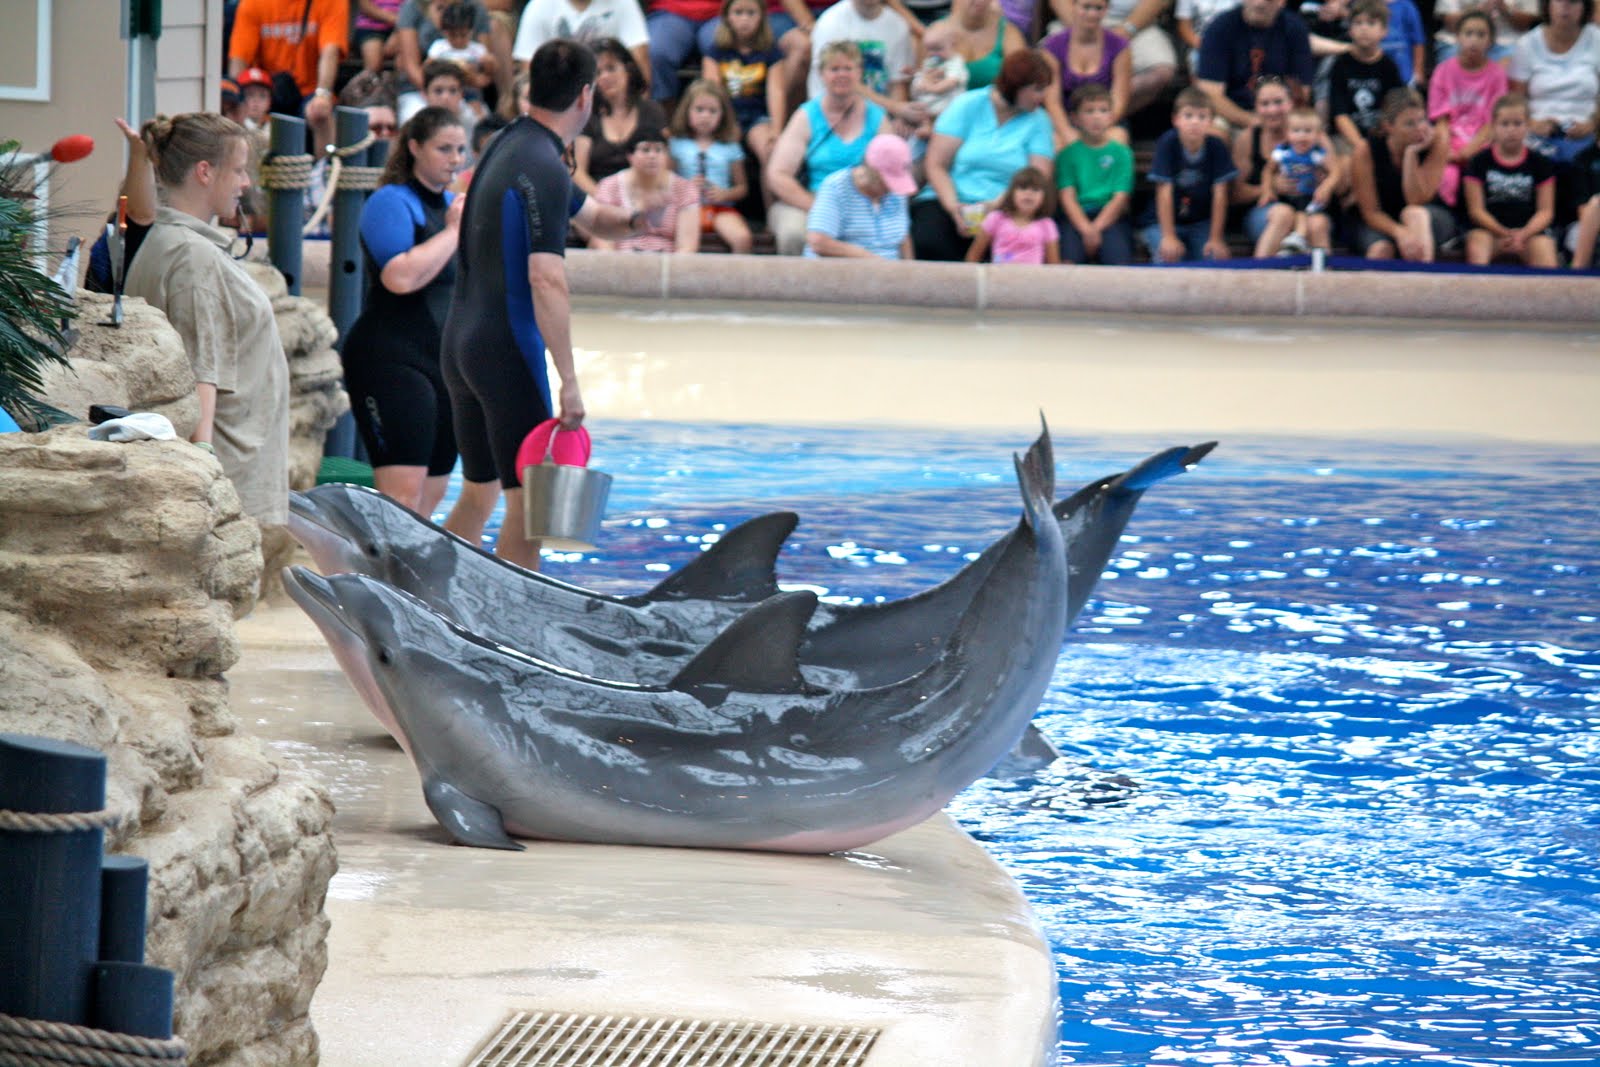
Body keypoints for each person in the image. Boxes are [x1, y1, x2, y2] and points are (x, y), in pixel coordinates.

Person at [441, 39, 657, 569]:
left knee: (478, 495)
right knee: (530, 509)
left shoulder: (511, 145)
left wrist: (634, 221)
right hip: (506, 352)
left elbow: (589, 214)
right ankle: (509, 638)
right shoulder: (543, 164)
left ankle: (419, 602)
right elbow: (547, 280)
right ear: (586, 96)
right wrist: (570, 379)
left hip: (460, 345)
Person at [124, 113, 289, 529]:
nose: (245, 183)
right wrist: (204, 466)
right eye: (238, 170)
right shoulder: (193, 257)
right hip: (228, 478)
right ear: (204, 172)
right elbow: (200, 368)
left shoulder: (163, 239)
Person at [340, 107, 466, 517]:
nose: (455, 159)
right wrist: (452, 233)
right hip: (390, 358)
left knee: (431, 497)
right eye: (444, 148)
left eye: (460, 150)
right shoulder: (390, 202)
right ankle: (382, 580)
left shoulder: (452, 207)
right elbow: (400, 277)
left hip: (442, 363)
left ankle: (408, 581)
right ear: (414, 147)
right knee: (402, 499)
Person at [913, 50, 1056, 261]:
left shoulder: (1039, 121)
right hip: (950, 200)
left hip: (1006, 208)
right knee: (928, 241)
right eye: (1037, 90)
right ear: (1016, 86)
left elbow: (1037, 178)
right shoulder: (967, 104)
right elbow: (936, 164)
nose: (1042, 97)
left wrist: (994, 207)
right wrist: (954, 208)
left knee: (1008, 248)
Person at [766, 42, 889, 255]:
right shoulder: (806, 115)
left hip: (863, 201)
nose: (841, 75)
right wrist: (820, 208)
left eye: (848, 69)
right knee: (793, 234)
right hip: (812, 199)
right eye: (834, 69)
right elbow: (778, 174)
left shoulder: (877, 117)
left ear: (859, 73)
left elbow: (890, 172)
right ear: (821, 74)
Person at [1347, 86, 1455, 259]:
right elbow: (1370, 212)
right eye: (1409, 124)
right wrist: (1400, 232)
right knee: (1381, 250)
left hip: (1427, 215)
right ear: (1388, 126)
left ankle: (1423, 278)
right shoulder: (1365, 150)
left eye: (1422, 120)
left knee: (1414, 214)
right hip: (1379, 219)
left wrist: (1411, 154)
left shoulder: (1437, 142)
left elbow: (1416, 200)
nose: (1419, 128)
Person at [227, 0, 348, 155]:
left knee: (320, 112)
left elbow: (330, 52)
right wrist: (237, 99)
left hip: (309, 92)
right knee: (238, 109)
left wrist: (323, 94)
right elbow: (239, 59)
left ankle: (324, 171)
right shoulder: (253, 3)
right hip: (268, 89)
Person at [1141, 86, 1237, 262]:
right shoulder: (1168, 143)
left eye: (1202, 116)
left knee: (1214, 257)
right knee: (1168, 256)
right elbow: (1164, 191)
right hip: (1162, 222)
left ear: (1211, 121)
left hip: (1200, 222)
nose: (1195, 122)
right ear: (1176, 119)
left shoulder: (1216, 146)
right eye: (1188, 115)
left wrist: (1215, 238)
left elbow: (1220, 194)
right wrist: (1168, 236)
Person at [1462, 93, 1560, 265]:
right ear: (1493, 126)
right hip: (1489, 231)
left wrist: (1523, 234)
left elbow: (1545, 211)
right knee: (1478, 241)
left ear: (1528, 126)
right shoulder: (1478, 162)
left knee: (1544, 246)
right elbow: (1476, 211)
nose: (1511, 130)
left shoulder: (1540, 163)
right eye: (1505, 124)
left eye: (1517, 124)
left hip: (1529, 234)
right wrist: (1503, 232)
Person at [1430, 10, 1510, 206]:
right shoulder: (1443, 71)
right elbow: (1441, 120)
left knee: (1484, 171)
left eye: (1481, 35)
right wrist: (1445, 149)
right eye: (1468, 34)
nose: (1474, 40)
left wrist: (1470, 150)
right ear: (1457, 37)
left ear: (1490, 41)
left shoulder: (1497, 74)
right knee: (1446, 177)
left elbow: (1493, 122)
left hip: (1483, 142)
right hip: (1450, 140)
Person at [1196, 0, 1316, 129]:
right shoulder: (1220, 28)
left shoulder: (1295, 29)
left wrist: (1277, 121)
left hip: (1280, 115)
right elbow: (1210, 94)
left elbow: (1301, 92)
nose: (1259, 3)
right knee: (1213, 132)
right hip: (1230, 114)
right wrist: (1252, 121)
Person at [700, 0, 790, 170]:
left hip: (758, 117)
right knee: (718, 150)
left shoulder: (771, 52)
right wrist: (727, 123)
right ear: (727, 17)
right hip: (725, 115)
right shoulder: (715, 51)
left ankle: (772, 197)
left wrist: (776, 131)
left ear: (762, 17)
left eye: (751, 13)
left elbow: (776, 92)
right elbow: (713, 93)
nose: (744, 19)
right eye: (738, 12)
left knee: (771, 152)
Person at [1508, 0, 1600, 163]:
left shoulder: (1596, 40)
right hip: (1538, 131)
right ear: (1547, 5)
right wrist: (1531, 123)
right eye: (1558, 0)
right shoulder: (1527, 44)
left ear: (1584, 7)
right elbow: (1516, 99)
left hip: (1585, 130)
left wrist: (1593, 124)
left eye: (1572, 1)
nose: (1565, 6)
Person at [668, 80, 754, 252]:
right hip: (685, 208)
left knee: (742, 238)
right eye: (699, 110)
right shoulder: (676, 145)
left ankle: (736, 278)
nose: (705, 116)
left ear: (722, 115)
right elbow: (666, 182)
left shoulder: (730, 147)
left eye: (712, 111)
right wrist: (686, 188)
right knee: (677, 237)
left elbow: (742, 187)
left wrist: (725, 194)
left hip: (720, 208)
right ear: (687, 111)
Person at [575, 40, 669, 196]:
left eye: (611, 68)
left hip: (645, 197)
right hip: (598, 200)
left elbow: (665, 163)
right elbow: (578, 172)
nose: (605, 76)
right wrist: (606, 201)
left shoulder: (652, 111)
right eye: (598, 73)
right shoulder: (587, 115)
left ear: (628, 69)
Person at [807, 0, 921, 127]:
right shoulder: (830, 22)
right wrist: (894, 107)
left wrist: (898, 118)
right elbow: (842, 81)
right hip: (832, 114)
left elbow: (897, 83)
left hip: (878, 117)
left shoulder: (898, 26)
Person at [1055, 84, 1135, 264]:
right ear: (1075, 118)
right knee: (1068, 265)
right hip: (1077, 218)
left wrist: (1096, 228)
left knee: (1120, 266)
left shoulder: (1122, 153)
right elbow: (1067, 196)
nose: (1097, 117)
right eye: (1089, 111)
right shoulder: (1068, 155)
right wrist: (1086, 229)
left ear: (1112, 116)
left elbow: (1120, 197)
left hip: (1110, 217)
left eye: (1103, 110)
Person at [805, 134, 916, 258]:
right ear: (871, 170)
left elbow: (903, 237)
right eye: (886, 181)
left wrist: (909, 269)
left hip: (890, 272)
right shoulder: (836, 187)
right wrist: (868, 258)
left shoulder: (897, 192)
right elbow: (818, 242)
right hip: (845, 271)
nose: (891, 188)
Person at [1040, 0, 1133, 142]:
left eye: (1098, 8)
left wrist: (1099, 127)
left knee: (1117, 138)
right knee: (1055, 142)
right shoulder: (1052, 46)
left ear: (1106, 10)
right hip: (1066, 118)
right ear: (1074, 7)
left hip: (1103, 119)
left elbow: (1119, 99)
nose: (1092, 14)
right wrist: (1066, 132)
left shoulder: (1120, 46)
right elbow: (1052, 101)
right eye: (1086, 7)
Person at [1254, 105, 1341, 254]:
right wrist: (1267, 189)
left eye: (1308, 131)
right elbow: (1268, 170)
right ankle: (1261, 267)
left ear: (1318, 135)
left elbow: (1336, 172)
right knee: (1286, 212)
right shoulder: (1283, 152)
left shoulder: (1317, 154)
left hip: (1310, 197)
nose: (1302, 136)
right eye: (1296, 131)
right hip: (1285, 198)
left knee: (1313, 219)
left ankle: (1301, 243)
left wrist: (1326, 187)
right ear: (1287, 133)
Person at [1326, 0, 1405, 143]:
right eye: (1358, 23)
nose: (1364, 29)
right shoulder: (1340, 64)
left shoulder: (1389, 66)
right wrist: (1360, 145)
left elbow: (1395, 109)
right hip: (1346, 137)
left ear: (1384, 31)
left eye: (1371, 23)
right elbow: (1339, 114)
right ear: (1350, 30)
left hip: (1381, 135)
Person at [514, 0, 651, 80]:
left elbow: (640, 64)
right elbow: (529, 72)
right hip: (560, 96)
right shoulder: (538, 6)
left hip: (610, 96)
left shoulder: (624, 3)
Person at [923, 0, 1026, 94]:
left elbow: (1021, 83)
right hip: (943, 108)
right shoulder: (934, 33)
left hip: (993, 109)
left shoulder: (1009, 33)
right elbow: (920, 79)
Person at [967, 166, 1061, 262]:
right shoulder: (996, 218)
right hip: (1000, 275)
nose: (1028, 193)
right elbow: (973, 256)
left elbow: (1054, 265)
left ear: (1044, 197)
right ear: (1011, 193)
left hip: (1032, 276)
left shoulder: (1047, 225)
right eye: (1023, 188)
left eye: (1035, 189)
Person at [428, 1, 499, 101]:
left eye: (463, 35)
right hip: (445, 90)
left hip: (470, 91)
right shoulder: (439, 47)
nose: (458, 40)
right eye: (453, 35)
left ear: (471, 31)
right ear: (445, 32)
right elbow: (428, 67)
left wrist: (488, 65)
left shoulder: (477, 49)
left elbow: (487, 75)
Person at [912, 23, 972, 139]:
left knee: (948, 113)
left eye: (938, 49)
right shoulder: (930, 62)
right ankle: (926, 126)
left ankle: (939, 130)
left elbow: (951, 82)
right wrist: (921, 80)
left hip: (949, 103)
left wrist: (932, 88)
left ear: (952, 45)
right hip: (931, 104)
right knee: (920, 109)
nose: (933, 54)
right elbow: (923, 76)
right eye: (929, 50)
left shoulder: (956, 62)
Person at [1433, 0, 1539, 64]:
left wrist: (1504, 8)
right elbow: (1450, 23)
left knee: (1516, 66)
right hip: (1458, 41)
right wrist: (1479, 12)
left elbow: (1525, 24)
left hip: (1510, 43)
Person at [1566, 118, 1600, 266]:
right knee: (1595, 204)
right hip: (1591, 221)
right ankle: (1578, 274)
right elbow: (1583, 210)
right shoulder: (1584, 159)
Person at [1380, 0, 1426, 85]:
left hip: (1404, 73)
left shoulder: (1407, 6)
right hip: (1376, 73)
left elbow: (1418, 41)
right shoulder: (1367, 5)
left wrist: (1418, 70)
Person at [355, 0, 404, 73]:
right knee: (374, 64)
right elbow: (365, 7)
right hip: (370, 27)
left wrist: (398, 31)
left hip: (402, 28)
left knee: (403, 61)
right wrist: (398, 20)